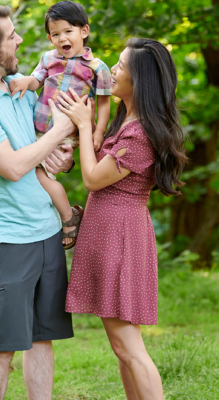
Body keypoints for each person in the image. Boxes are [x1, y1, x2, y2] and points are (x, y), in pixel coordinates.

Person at [0, 6, 81, 400]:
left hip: (47, 230)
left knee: (42, 339)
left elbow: (41, 148)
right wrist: (58, 132)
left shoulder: (17, 87)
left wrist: (63, 154)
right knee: (3, 346)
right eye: (12, 36)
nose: (20, 40)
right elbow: (13, 166)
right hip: (6, 240)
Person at [59, 38, 188, 400]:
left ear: (139, 81)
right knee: (122, 348)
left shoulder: (140, 132)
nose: (111, 71)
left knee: (130, 347)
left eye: (119, 66)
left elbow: (93, 178)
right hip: (111, 230)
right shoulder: (126, 120)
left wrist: (84, 127)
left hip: (119, 236)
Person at [9, 1, 111, 249]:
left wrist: (98, 132)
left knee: (38, 174)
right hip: (39, 127)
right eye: (56, 34)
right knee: (34, 174)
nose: (62, 38)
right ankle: (55, 219)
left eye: (68, 31)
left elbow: (104, 102)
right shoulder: (47, 58)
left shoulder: (97, 68)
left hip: (68, 132)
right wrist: (25, 82)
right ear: (49, 38)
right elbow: (36, 80)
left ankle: (69, 216)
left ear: (83, 32)